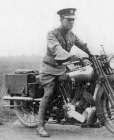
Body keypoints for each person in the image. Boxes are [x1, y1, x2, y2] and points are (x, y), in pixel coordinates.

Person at [37, 8, 91, 137]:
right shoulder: (52, 33)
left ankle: (77, 111)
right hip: (49, 70)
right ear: (61, 19)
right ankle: (40, 126)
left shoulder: (71, 34)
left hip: (62, 68)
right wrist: (71, 56)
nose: (72, 22)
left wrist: (91, 54)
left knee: (78, 81)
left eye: (73, 20)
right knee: (49, 93)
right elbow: (57, 49)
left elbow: (82, 44)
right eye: (69, 20)